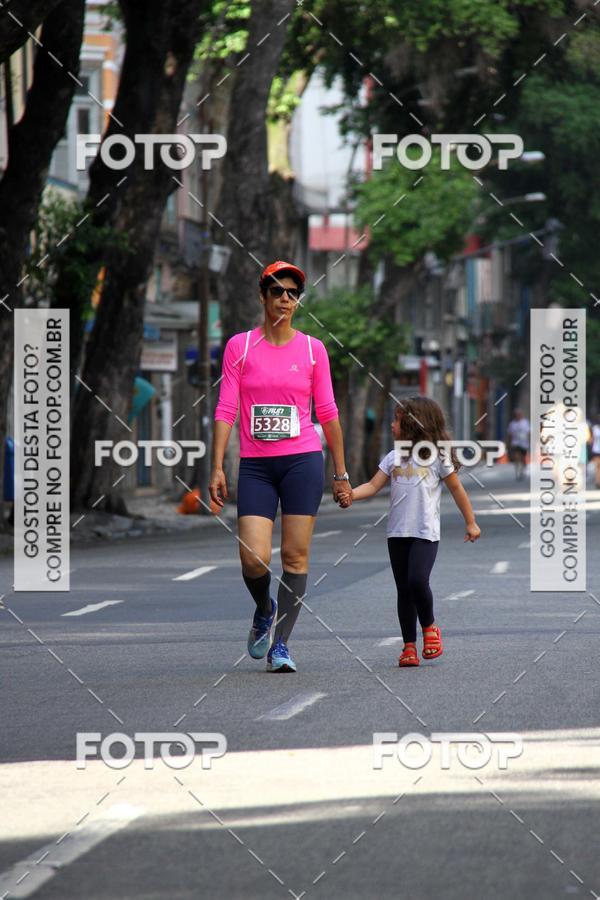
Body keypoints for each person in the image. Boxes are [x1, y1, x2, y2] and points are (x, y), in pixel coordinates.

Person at [209, 260, 352, 672]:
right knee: (253, 558)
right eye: (278, 292)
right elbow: (226, 407)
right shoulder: (240, 346)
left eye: (293, 293)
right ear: (263, 296)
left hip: (303, 461)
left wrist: (340, 474)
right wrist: (217, 466)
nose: (285, 299)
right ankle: (263, 607)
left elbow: (327, 412)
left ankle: (281, 646)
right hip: (255, 464)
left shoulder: (312, 349)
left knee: (294, 556)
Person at [337, 396, 480, 667]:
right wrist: (350, 496)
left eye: (397, 420)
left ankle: (429, 627)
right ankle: (409, 647)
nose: (392, 425)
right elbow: (372, 485)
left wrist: (471, 522)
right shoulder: (393, 457)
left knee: (417, 580)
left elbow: (457, 489)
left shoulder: (436, 457)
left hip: (425, 533)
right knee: (403, 590)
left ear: (413, 424)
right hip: (397, 533)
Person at [506, 408, 530, 481]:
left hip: (524, 443)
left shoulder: (525, 423)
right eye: (516, 415)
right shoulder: (512, 424)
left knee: (523, 458)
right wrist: (508, 443)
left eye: (519, 415)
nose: (518, 416)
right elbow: (510, 434)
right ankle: (517, 470)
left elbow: (529, 433)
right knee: (516, 457)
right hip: (515, 443)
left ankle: (523, 469)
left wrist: (530, 442)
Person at [590, 414, 600, 488]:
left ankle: (598, 482)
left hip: (596, 449)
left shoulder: (595, 428)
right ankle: (598, 482)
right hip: (596, 450)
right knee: (598, 467)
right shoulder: (595, 428)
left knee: (598, 467)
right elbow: (591, 439)